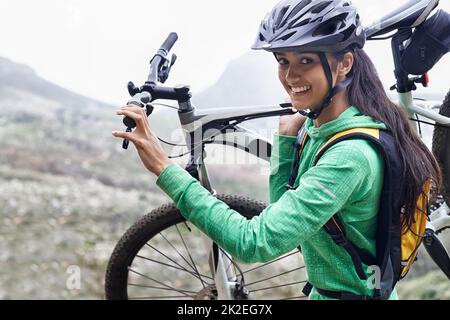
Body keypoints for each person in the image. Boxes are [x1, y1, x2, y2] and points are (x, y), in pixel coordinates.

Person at [112, 0, 441, 300]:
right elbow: (288, 215)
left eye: (306, 61)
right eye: (283, 61)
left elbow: (254, 242)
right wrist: (285, 142)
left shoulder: (350, 156)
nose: (290, 75)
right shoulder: (327, 123)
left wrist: (163, 167)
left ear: (344, 64)